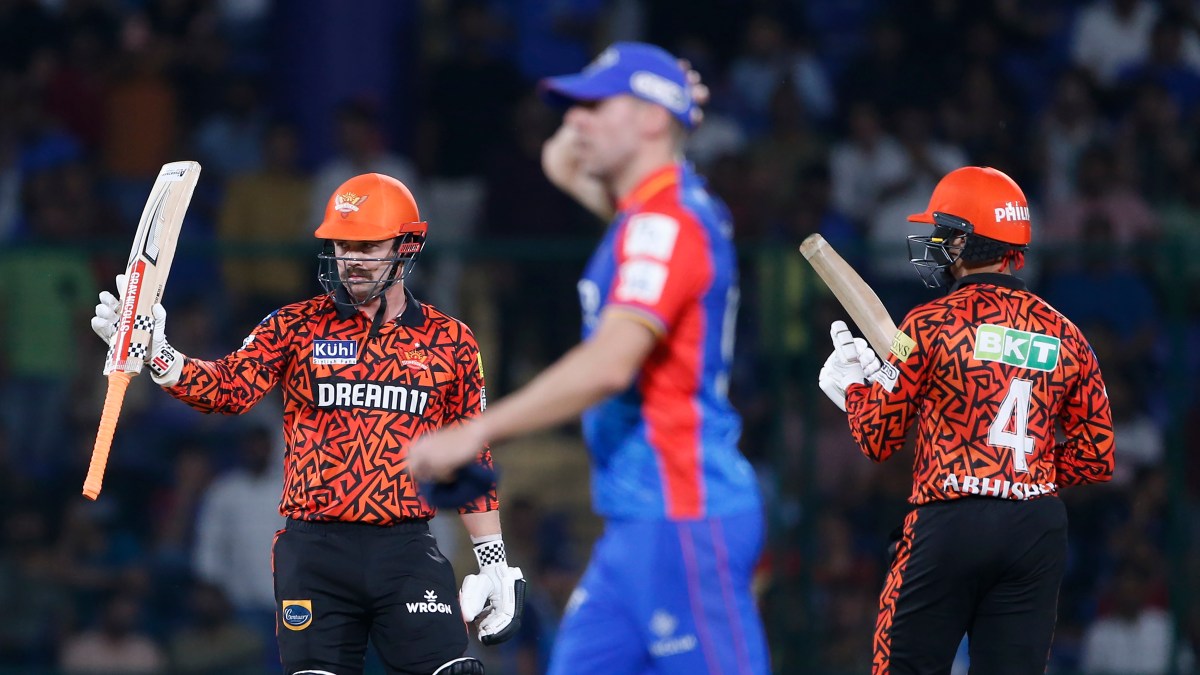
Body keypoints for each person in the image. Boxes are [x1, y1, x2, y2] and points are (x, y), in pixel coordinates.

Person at [408, 42, 770, 675]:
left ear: (650, 120)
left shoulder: (668, 223)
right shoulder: (648, 215)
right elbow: (558, 159)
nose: (575, 121)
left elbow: (610, 364)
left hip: (685, 519)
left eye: (597, 106)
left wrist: (476, 431)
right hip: (636, 522)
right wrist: (669, 104)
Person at [91, 173, 525, 675]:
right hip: (314, 552)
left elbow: (471, 455)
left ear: (407, 245)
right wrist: (161, 356)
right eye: (342, 245)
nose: (352, 259)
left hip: (405, 547)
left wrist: (492, 559)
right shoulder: (294, 325)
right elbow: (229, 389)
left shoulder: (451, 340)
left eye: (368, 246)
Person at [816, 166, 1116, 674]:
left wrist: (855, 389)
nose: (934, 243)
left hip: (950, 521)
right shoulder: (1066, 335)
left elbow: (877, 438)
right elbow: (1096, 457)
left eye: (942, 232)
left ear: (964, 241)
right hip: (1035, 529)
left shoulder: (927, 325)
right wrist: (1022, 475)